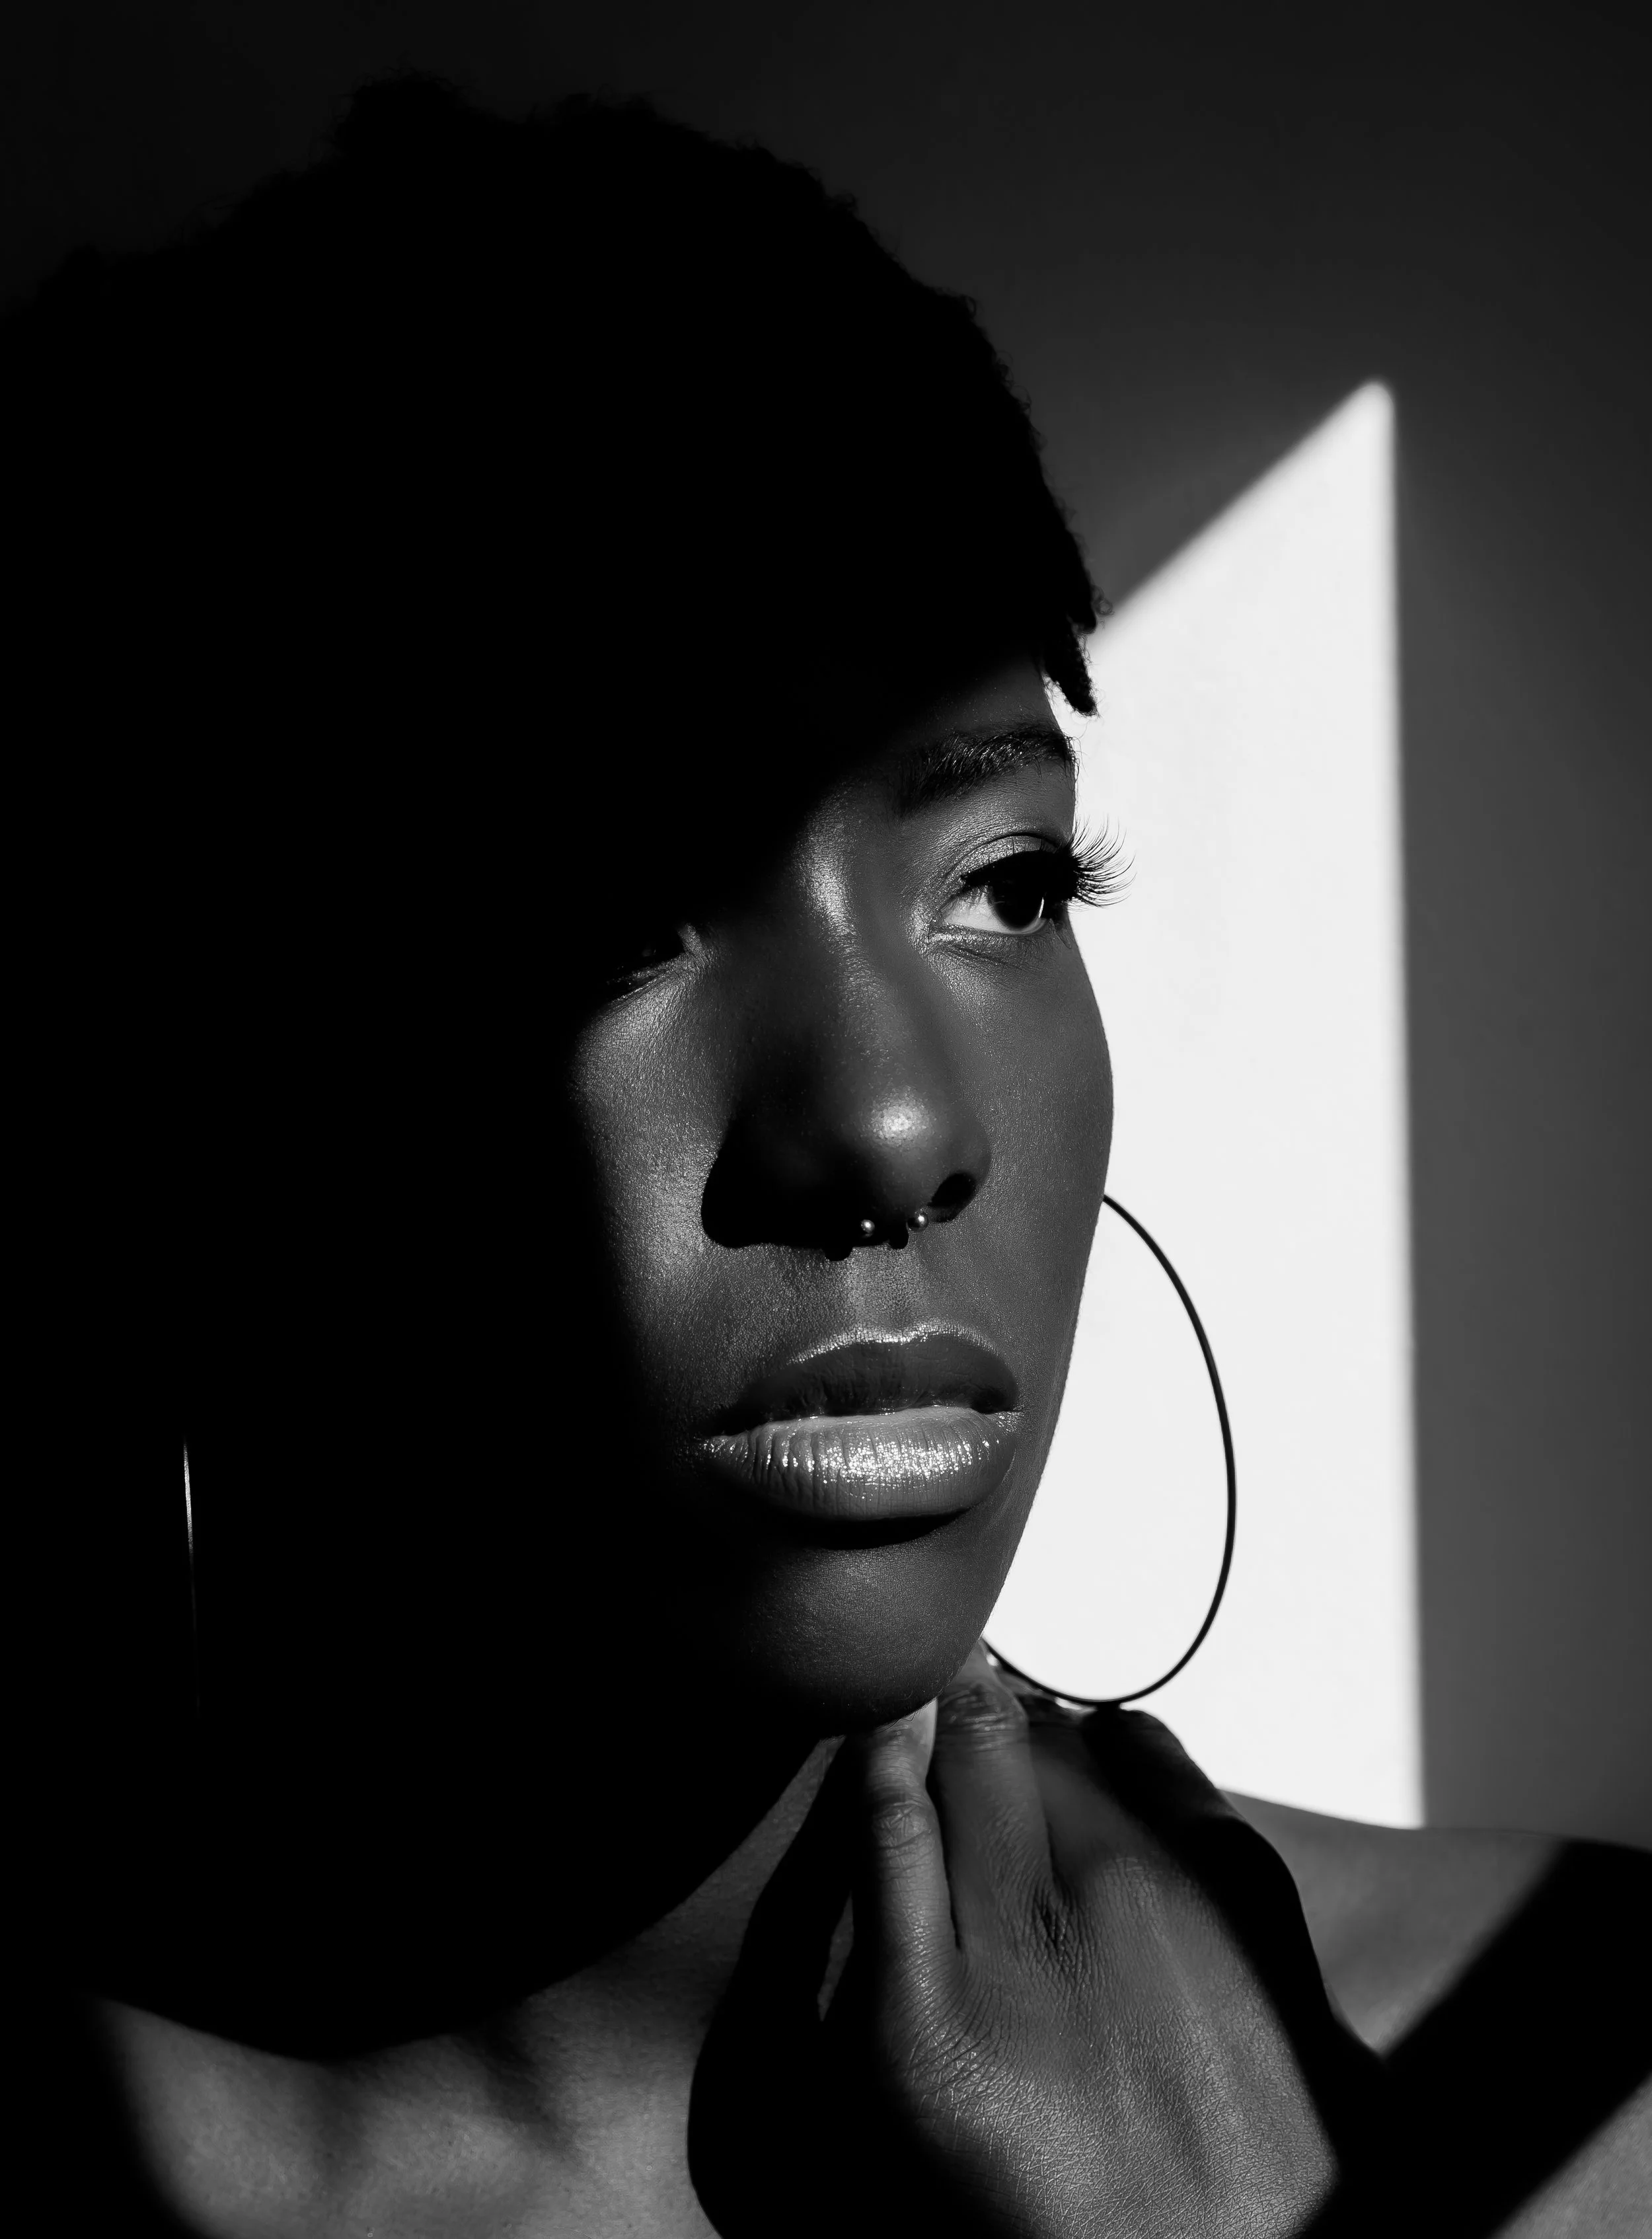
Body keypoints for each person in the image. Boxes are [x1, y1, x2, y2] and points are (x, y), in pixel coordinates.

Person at [13, 75, 1648, 2237]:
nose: (892, 1120)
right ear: (220, 1062)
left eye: (1003, 885)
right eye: (606, 908)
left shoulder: (1583, 2065)